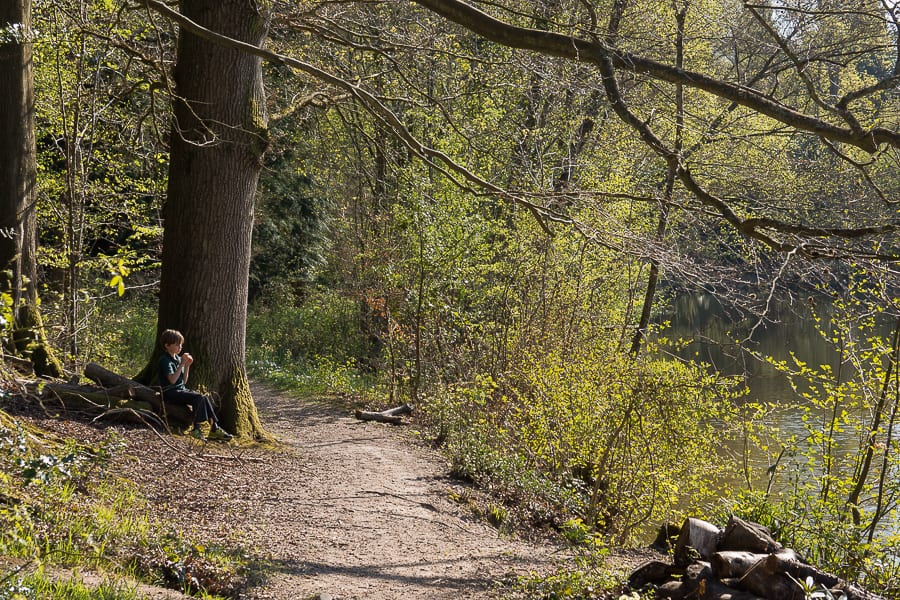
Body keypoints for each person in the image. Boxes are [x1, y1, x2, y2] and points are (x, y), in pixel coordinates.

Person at [158, 329, 233, 441]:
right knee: (198, 398)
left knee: (203, 398)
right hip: (169, 392)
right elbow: (172, 380)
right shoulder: (165, 360)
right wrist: (182, 364)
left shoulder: (178, 359)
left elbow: (183, 381)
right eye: (177, 344)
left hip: (180, 389)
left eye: (181, 344)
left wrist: (187, 366)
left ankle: (214, 428)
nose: (180, 347)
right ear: (167, 345)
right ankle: (197, 429)